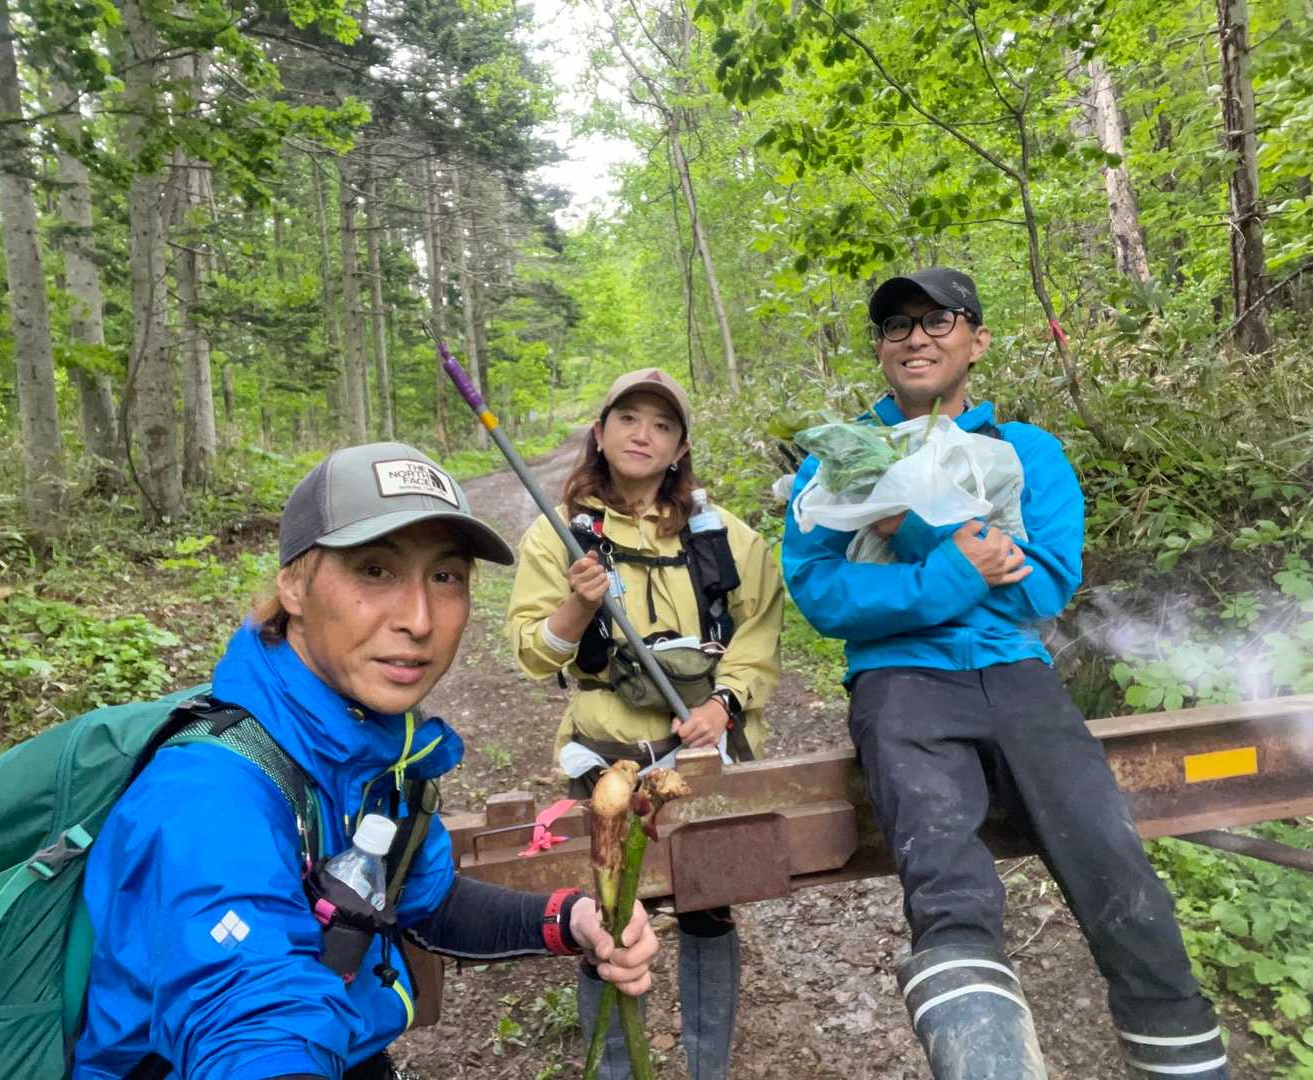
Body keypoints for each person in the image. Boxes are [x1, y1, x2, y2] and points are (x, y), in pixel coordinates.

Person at [73, 442, 658, 1080]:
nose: (419, 619)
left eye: (446, 577)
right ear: (293, 584)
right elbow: (249, 1019)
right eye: (374, 570)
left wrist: (573, 919)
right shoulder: (209, 795)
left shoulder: (366, 747)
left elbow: (426, 902)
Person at [781, 269, 1228, 1080]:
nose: (916, 337)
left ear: (977, 340)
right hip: (900, 681)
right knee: (946, 879)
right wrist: (959, 565)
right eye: (895, 326)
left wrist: (910, 527)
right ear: (880, 351)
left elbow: (1044, 585)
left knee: (1115, 868)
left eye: (938, 319)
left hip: (1019, 674)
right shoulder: (838, 459)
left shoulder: (1026, 452)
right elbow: (824, 595)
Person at [505, 368, 784, 1080]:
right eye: (627, 418)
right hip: (606, 764)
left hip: (700, 757)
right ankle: (615, 1069)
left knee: (709, 906)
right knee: (610, 919)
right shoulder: (560, 535)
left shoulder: (722, 535)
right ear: (600, 433)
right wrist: (577, 605)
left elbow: (759, 624)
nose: (642, 435)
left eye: (662, 425)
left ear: (680, 447)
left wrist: (725, 703)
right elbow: (534, 654)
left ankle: (709, 1069)